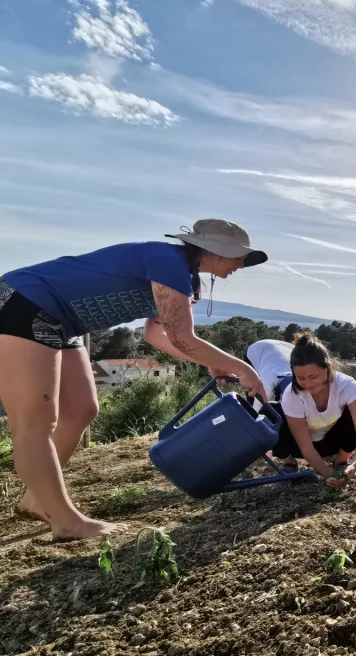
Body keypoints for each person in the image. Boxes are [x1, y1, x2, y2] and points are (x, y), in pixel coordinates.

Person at [0, 218, 269, 541]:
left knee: (82, 408)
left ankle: (37, 500)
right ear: (214, 250)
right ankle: (65, 520)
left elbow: (156, 335)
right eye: (239, 256)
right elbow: (182, 338)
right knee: (35, 422)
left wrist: (213, 361)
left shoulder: (184, 276)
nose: (242, 264)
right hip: (24, 304)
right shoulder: (167, 262)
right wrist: (242, 368)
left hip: (62, 322)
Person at [245, 334, 356, 487]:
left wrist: (355, 465)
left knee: (353, 413)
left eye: (313, 376)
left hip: (332, 443)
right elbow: (306, 448)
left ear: (327, 367)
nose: (308, 384)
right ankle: (288, 463)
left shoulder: (348, 387)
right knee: (271, 411)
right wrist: (329, 476)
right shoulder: (292, 395)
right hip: (302, 447)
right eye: (301, 378)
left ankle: (342, 462)